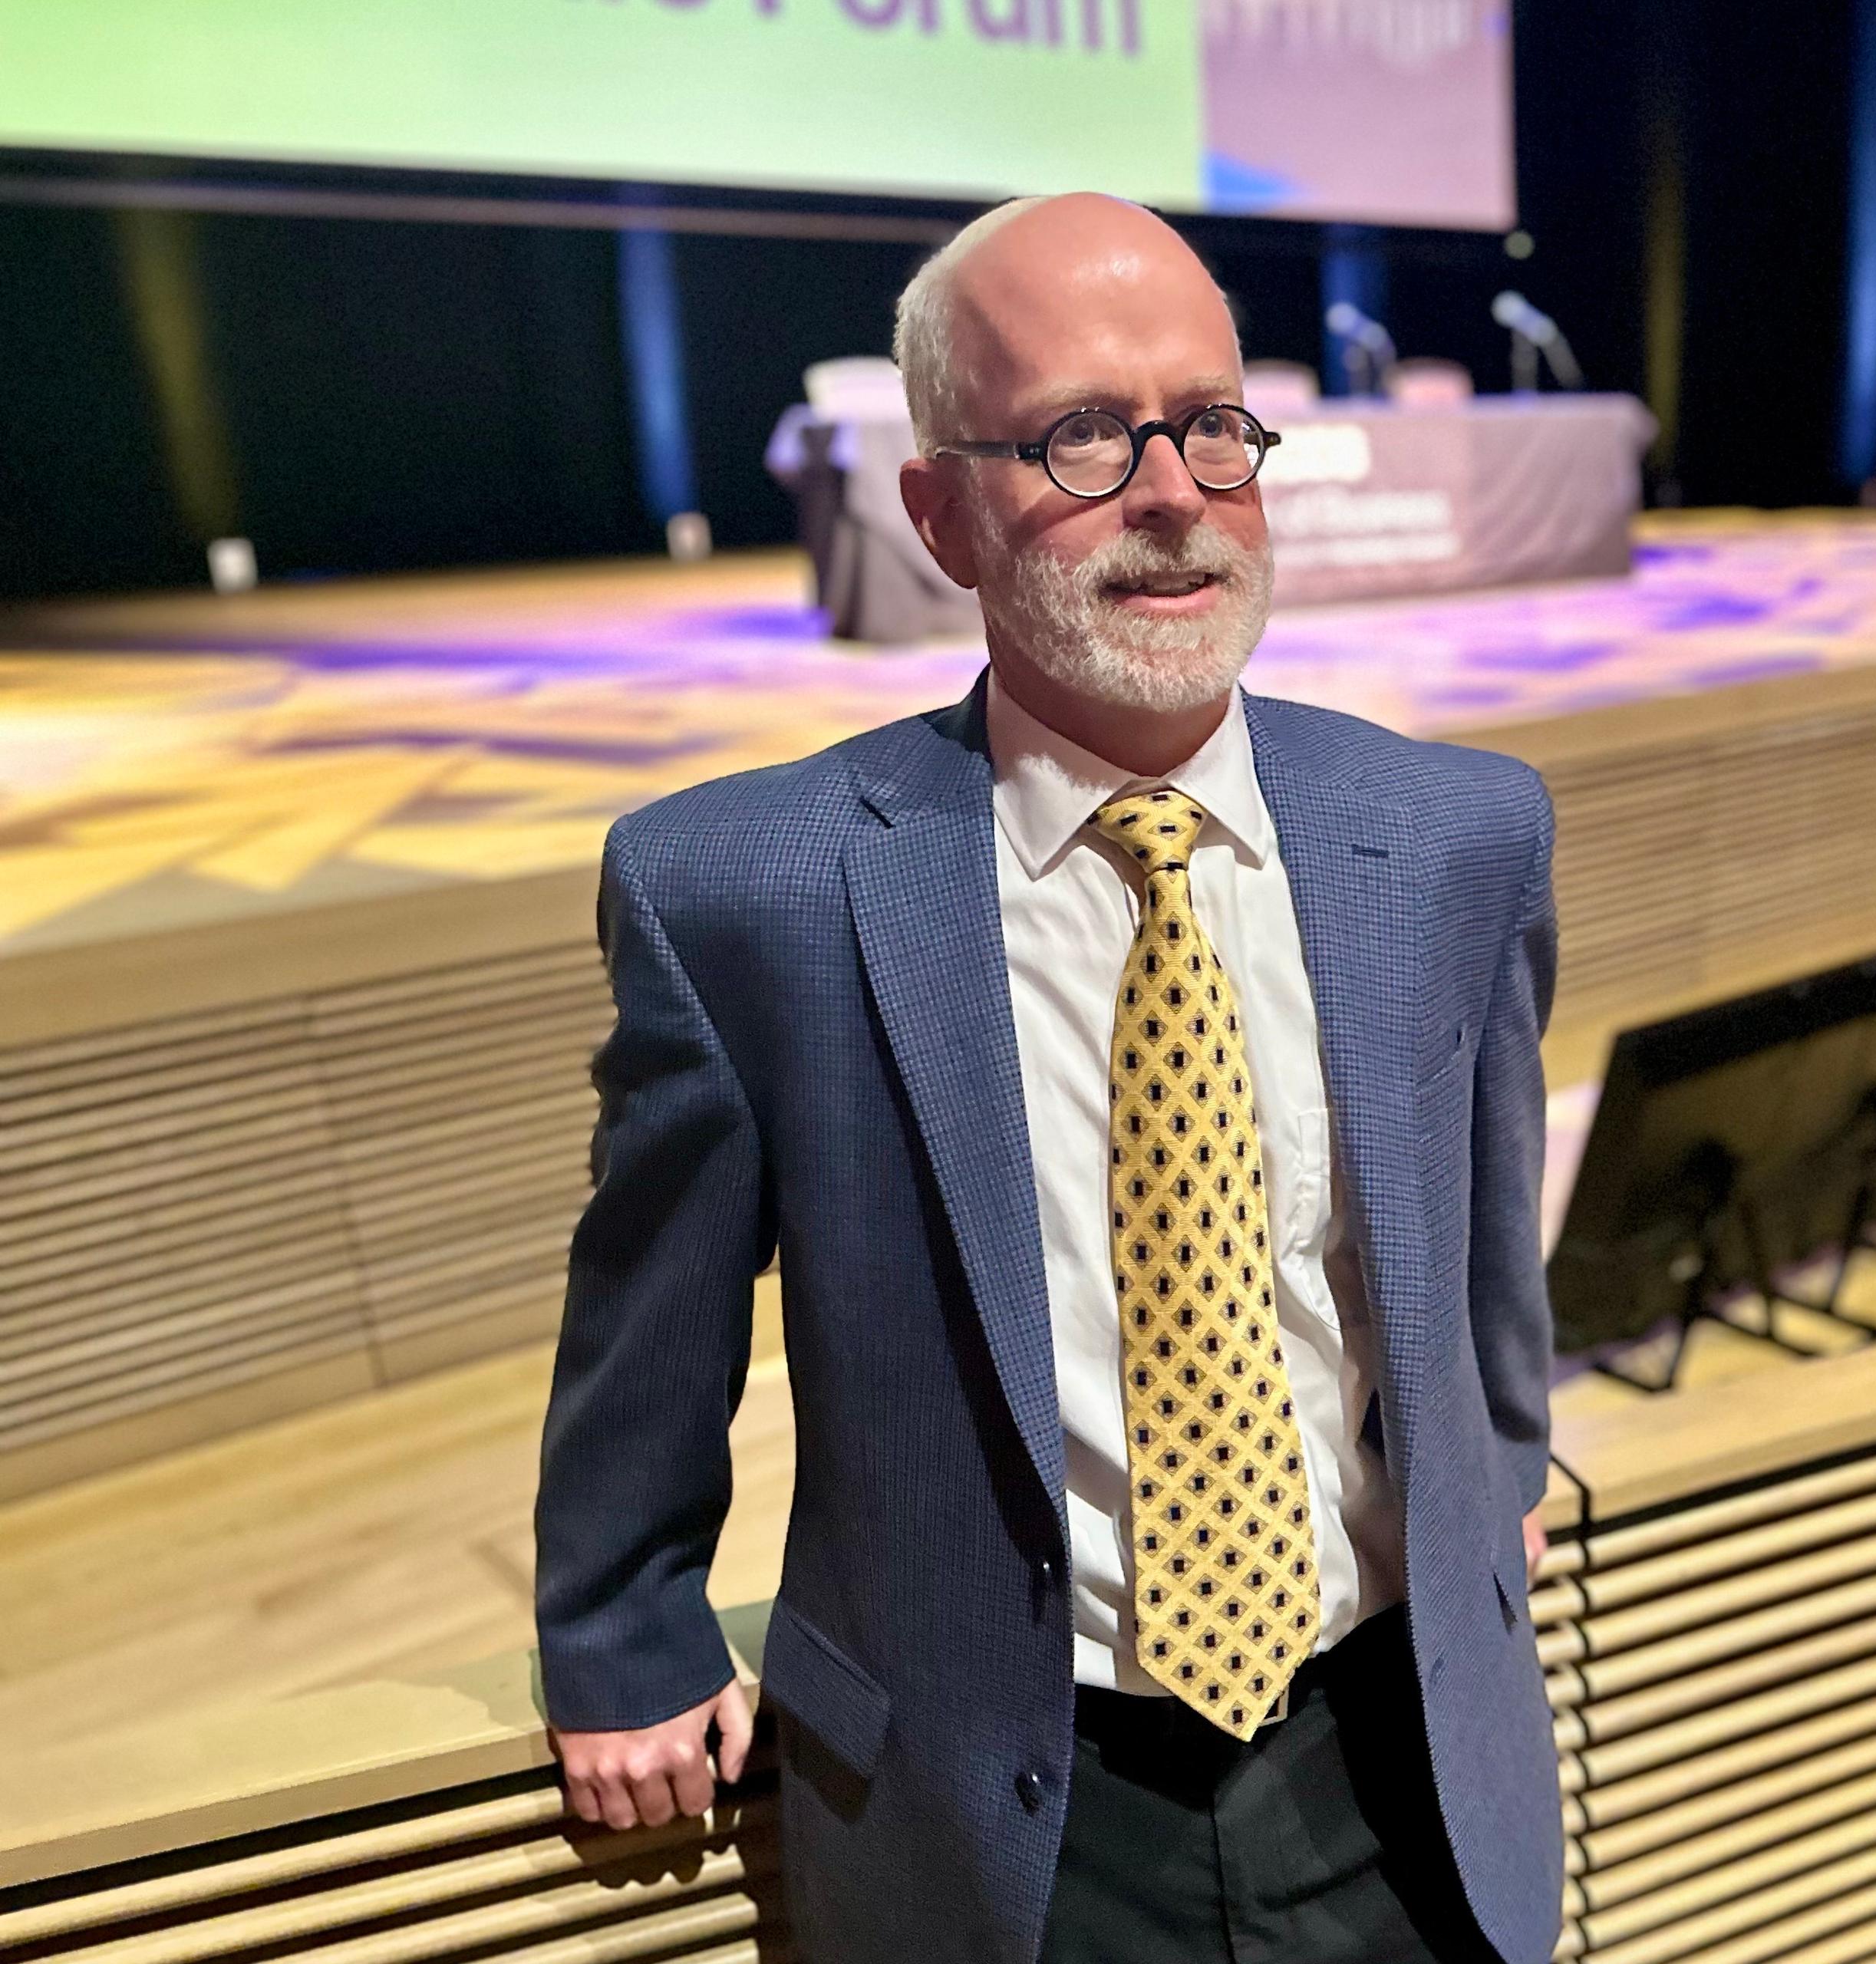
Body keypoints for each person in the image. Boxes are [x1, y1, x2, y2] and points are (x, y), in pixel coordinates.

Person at [531, 193, 1564, 1964]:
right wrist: (625, 1626)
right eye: (1085, 432)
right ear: (939, 511)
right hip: (1003, 1805)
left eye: (1212, 425)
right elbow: (655, 1315)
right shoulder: (747, 890)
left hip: (1399, 1761)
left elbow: (1484, 1248)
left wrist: (1504, 1476)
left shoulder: (1460, 832)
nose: (1169, 491)